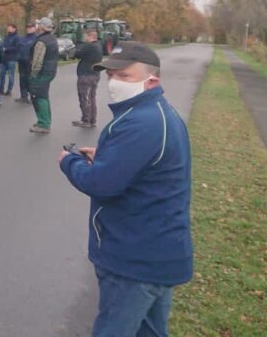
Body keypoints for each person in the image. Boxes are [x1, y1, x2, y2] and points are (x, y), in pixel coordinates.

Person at [58, 42, 192, 337]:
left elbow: (102, 184)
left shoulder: (142, 123)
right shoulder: (155, 113)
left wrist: (69, 163)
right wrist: (106, 158)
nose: (114, 83)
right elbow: (141, 166)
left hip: (135, 260)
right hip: (155, 252)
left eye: (124, 76)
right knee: (151, 332)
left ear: (151, 80)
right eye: (110, 76)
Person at [28, 17, 59, 134]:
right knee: (44, 96)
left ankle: (44, 124)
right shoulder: (51, 38)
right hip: (50, 71)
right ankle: (44, 121)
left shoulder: (41, 41)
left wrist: (33, 74)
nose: (37, 26)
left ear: (42, 27)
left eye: (39, 24)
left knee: (39, 97)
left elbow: (37, 61)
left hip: (42, 73)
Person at [73, 28, 103, 128]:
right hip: (95, 74)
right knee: (92, 97)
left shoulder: (89, 46)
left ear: (91, 36)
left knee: (84, 97)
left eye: (86, 36)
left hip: (86, 75)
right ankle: (92, 119)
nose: (85, 38)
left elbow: (76, 54)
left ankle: (86, 119)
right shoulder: (99, 45)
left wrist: (78, 48)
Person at [17, 22, 38, 103]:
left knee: (30, 80)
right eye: (27, 28)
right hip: (21, 62)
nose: (28, 29)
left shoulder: (36, 38)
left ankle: (33, 96)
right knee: (22, 80)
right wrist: (18, 57)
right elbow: (18, 48)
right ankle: (23, 96)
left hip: (30, 62)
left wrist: (33, 60)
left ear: (34, 28)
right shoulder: (22, 38)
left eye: (30, 27)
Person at [0, 24, 20, 96]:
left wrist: (6, 49)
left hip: (12, 59)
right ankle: (1, 89)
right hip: (4, 59)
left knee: (11, 75)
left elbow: (16, 48)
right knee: (2, 75)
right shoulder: (6, 37)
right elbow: (3, 45)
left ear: (14, 29)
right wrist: (2, 48)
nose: (8, 29)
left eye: (10, 28)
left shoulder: (17, 38)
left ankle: (9, 90)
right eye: (8, 27)